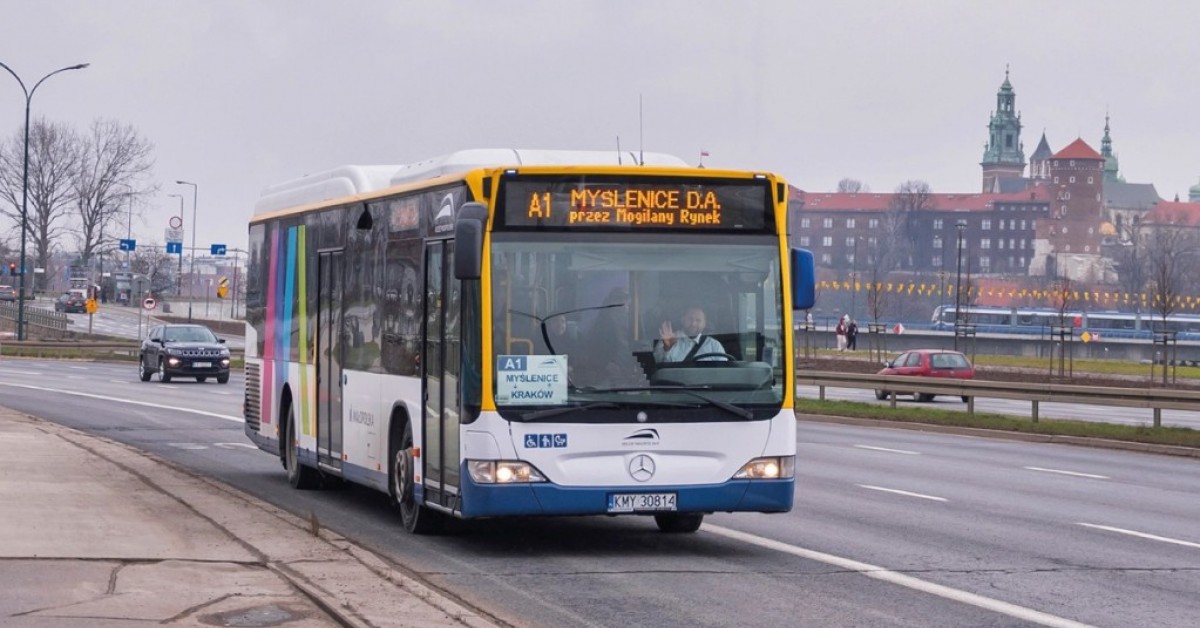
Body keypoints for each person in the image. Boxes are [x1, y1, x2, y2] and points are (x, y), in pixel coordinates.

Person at [654, 306, 726, 363]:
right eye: (690, 319)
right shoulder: (668, 339)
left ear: (705, 323)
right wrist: (667, 349)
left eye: (698, 320)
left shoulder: (714, 345)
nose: (693, 324)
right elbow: (658, 365)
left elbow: (723, 371)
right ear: (682, 319)